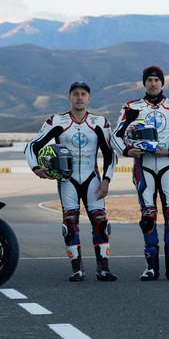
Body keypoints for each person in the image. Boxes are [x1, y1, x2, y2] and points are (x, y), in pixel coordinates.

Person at [25, 81, 117, 282]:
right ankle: (77, 269)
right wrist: (36, 168)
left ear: (89, 98)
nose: (79, 97)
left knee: (100, 222)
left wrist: (106, 180)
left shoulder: (99, 122)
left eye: (83, 94)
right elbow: (32, 146)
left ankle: (103, 269)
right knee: (69, 224)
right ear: (69, 97)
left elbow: (110, 154)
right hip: (67, 181)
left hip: (93, 179)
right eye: (75, 93)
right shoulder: (56, 121)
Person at [111, 66, 169, 281]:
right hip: (142, 165)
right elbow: (116, 136)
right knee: (147, 217)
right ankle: (151, 267)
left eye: (156, 80)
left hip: (168, 165)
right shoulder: (132, 107)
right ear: (144, 83)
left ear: (162, 83)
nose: (153, 83)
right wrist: (127, 151)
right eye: (149, 80)